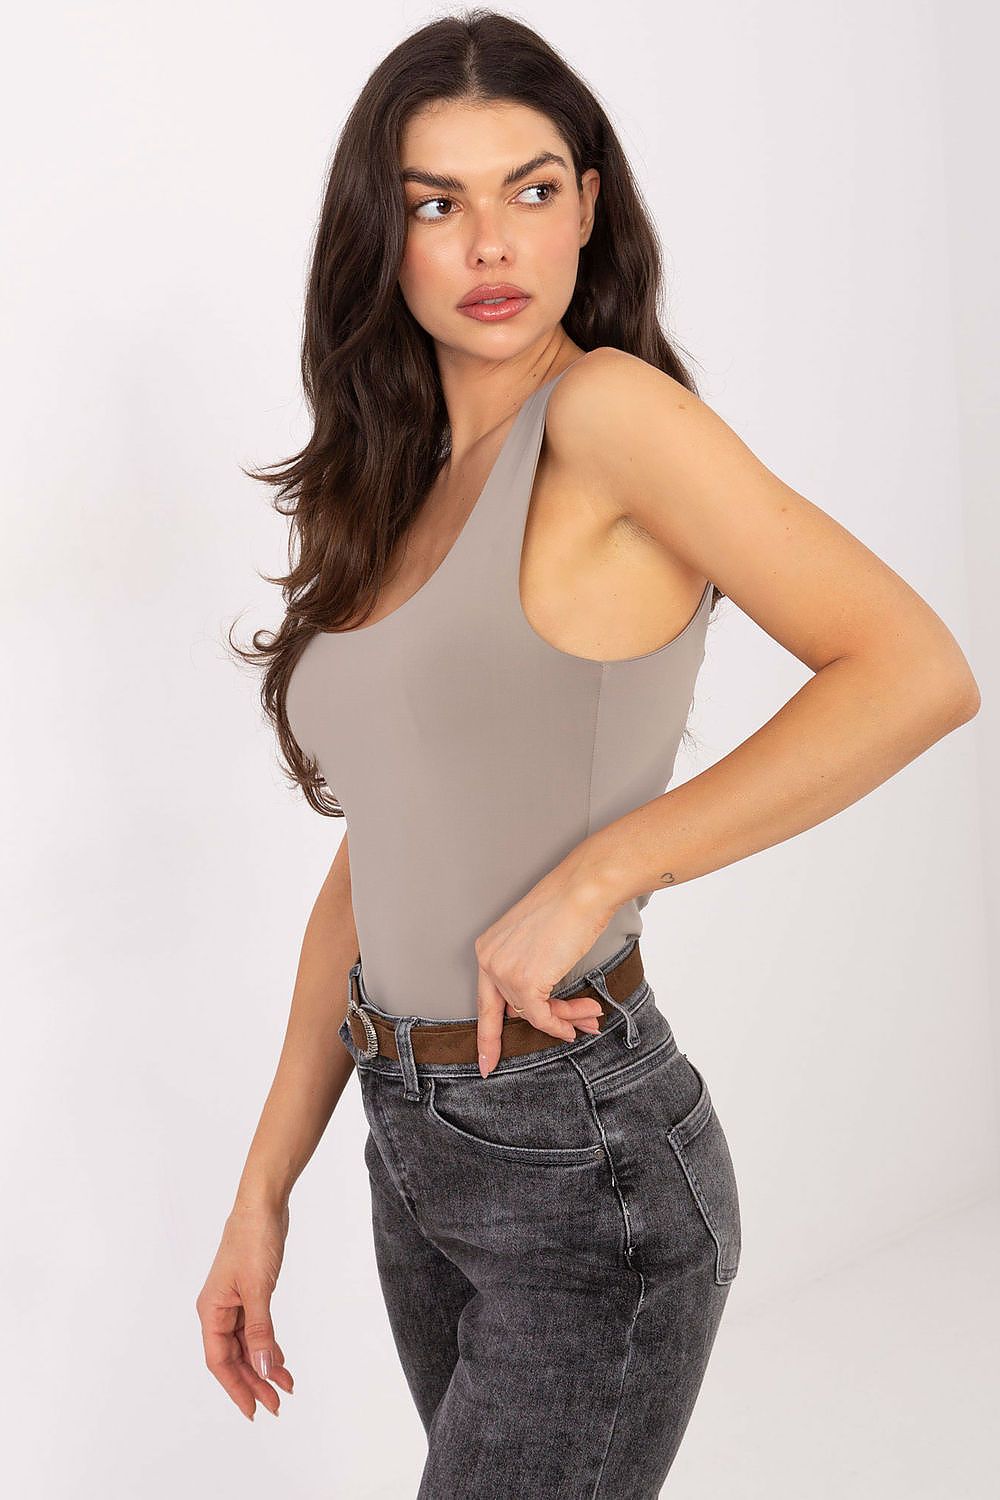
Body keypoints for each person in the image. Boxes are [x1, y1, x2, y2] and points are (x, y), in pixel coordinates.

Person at [195, 10, 981, 1495]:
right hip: (416, 1141)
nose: (492, 241)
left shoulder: (612, 416)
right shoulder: (401, 482)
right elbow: (381, 855)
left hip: (576, 1145)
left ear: (589, 208)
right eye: (438, 202)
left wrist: (605, 871)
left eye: (533, 188)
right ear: (382, 237)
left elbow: (915, 671)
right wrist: (263, 1189)